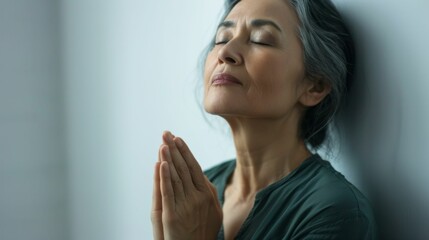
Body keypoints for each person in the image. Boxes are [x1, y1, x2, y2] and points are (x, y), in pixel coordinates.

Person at [151, 0, 377, 239]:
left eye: (260, 39)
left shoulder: (335, 211)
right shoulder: (196, 192)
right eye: (222, 38)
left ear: (315, 86)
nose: (225, 53)